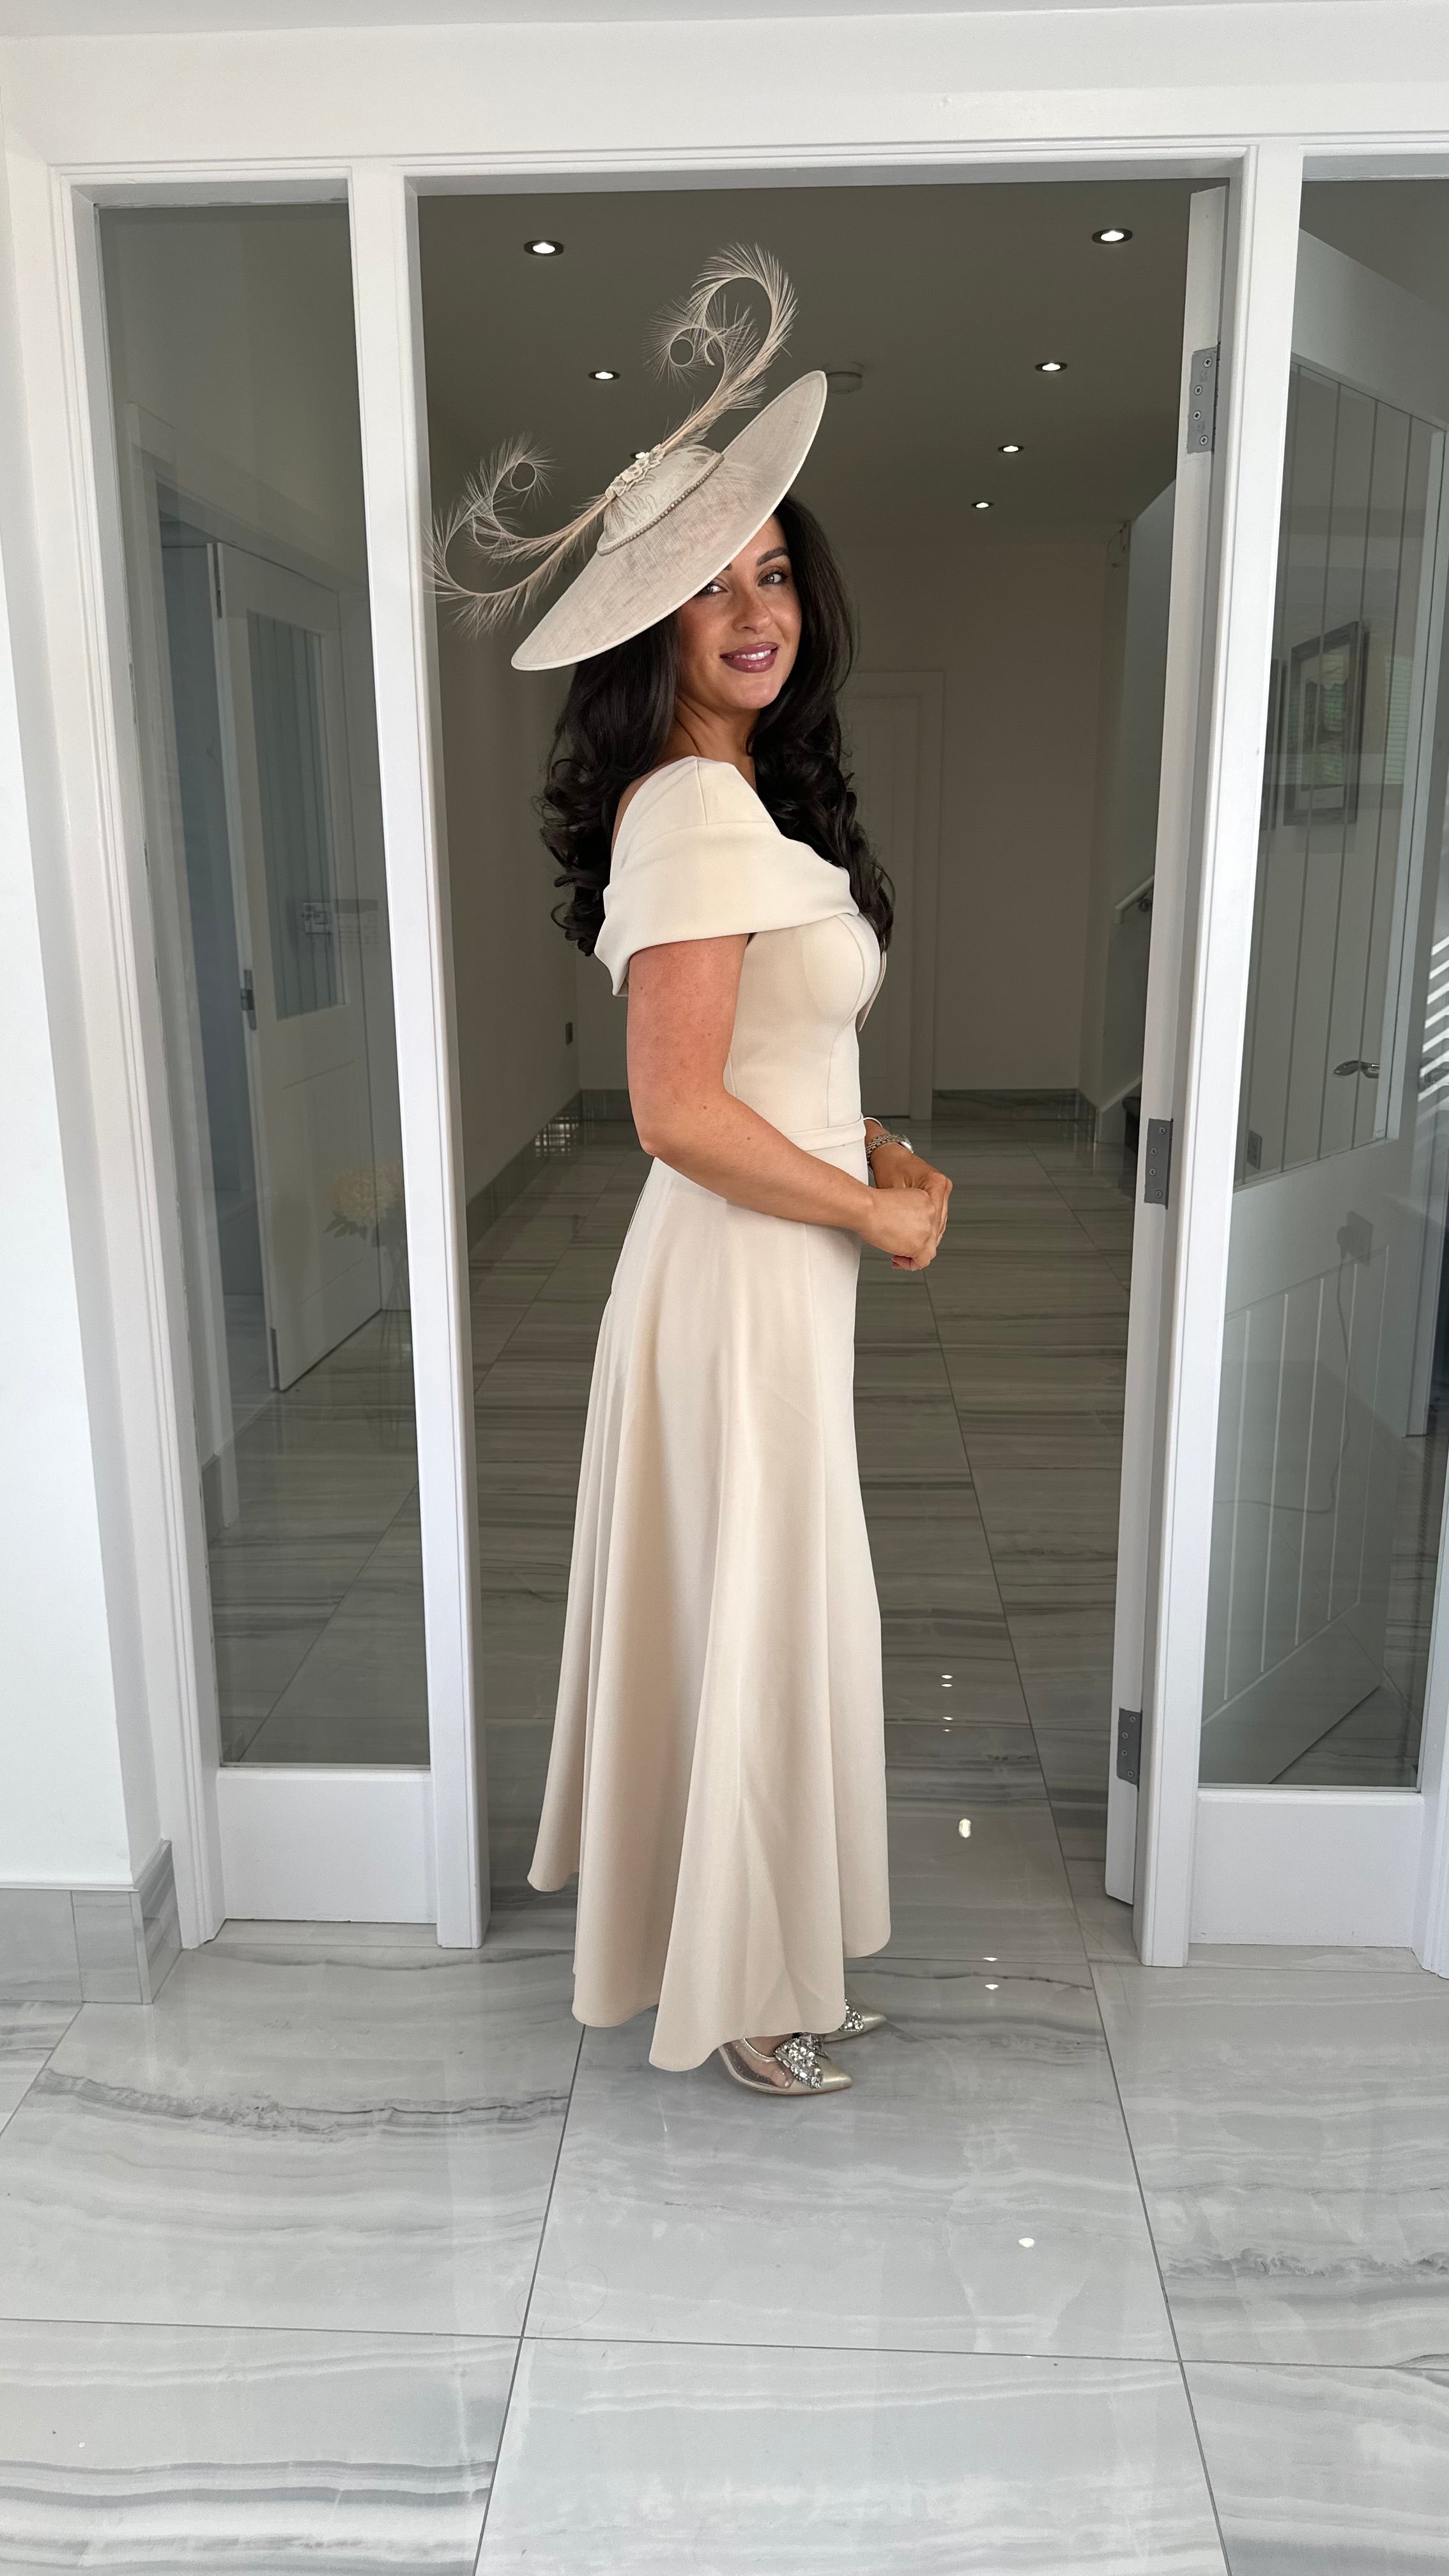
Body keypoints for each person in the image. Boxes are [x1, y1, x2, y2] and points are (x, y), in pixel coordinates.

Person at [434, 248, 951, 2097]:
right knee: (757, 1604)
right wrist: (875, 1212)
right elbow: (671, 1110)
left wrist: (872, 1143)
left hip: (764, 1271)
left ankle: (762, 1946)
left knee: (771, 1602)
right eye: (712, 586)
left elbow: (766, 1063)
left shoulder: (736, 803)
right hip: (736, 1277)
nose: (755, 612)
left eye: (774, 573)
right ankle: (736, 1988)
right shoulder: (688, 808)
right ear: (650, 630)